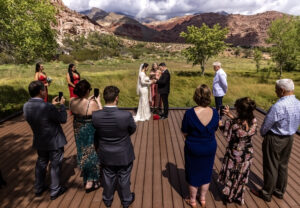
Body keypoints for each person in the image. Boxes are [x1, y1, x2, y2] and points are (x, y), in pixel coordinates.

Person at [251, 79, 300, 202]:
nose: (275, 91)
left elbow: (266, 125)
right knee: (283, 165)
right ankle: (279, 191)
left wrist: (263, 134)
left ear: (282, 90)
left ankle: (266, 193)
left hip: (275, 138)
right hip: (289, 138)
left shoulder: (278, 106)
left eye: (276, 89)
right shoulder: (298, 103)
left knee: (271, 166)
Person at [92, 86, 136, 208]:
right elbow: (132, 129)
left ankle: (107, 199)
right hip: (123, 152)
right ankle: (126, 200)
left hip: (105, 152)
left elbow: (97, 132)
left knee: (107, 175)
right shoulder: (125, 115)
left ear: (104, 98)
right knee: (124, 176)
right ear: (116, 98)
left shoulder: (96, 116)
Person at [23, 81, 67, 200]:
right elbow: (62, 119)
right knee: (55, 165)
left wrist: (52, 106)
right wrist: (62, 106)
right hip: (54, 140)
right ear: (41, 91)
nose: (45, 91)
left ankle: (38, 187)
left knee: (41, 163)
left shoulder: (26, 106)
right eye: (44, 90)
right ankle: (55, 190)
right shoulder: (47, 107)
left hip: (39, 139)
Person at [181, 84, 219, 208]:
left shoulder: (190, 113)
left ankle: (192, 200)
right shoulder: (215, 112)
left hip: (193, 147)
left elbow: (185, 132)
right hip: (209, 146)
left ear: (196, 96)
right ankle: (202, 199)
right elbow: (215, 129)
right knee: (206, 173)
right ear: (209, 96)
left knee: (193, 173)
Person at [218, 97, 257, 205]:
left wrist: (220, 123)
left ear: (239, 110)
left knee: (232, 175)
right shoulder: (254, 121)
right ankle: (238, 196)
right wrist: (230, 115)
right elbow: (242, 124)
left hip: (235, 154)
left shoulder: (232, 124)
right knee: (241, 176)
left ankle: (230, 196)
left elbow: (227, 135)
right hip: (248, 153)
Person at [70, 80, 102, 193]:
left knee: (82, 151)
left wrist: (88, 100)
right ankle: (92, 180)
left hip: (78, 128)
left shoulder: (72, 101)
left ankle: (86, 177)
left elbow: (80, 108)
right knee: (92, 151)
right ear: (87, 90)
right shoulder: (91, 103)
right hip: (90, 129)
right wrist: (98, 101)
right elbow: (101, 115)